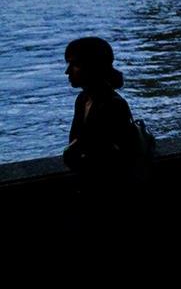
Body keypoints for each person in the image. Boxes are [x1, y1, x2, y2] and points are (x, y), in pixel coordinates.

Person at [63, 36, 141, 234]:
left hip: (109, 199)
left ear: (92, 67)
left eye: (75, 65)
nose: (68, 72)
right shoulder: (85, 100)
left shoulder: (109, 104)